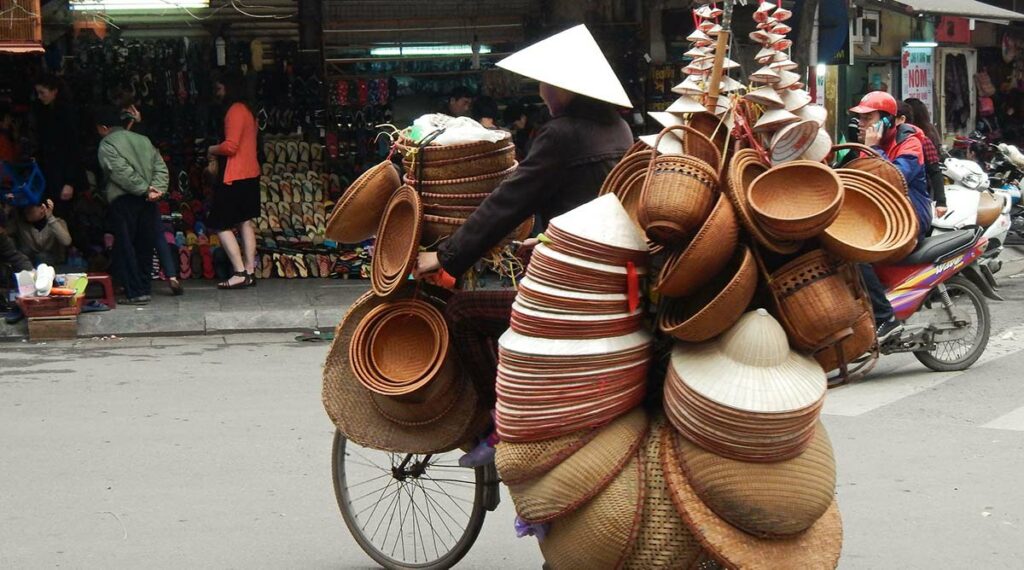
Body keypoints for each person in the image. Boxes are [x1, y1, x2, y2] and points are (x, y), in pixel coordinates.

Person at [413, 25, 634, 466]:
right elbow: (592, 204)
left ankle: (502, 422)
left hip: (578, 292)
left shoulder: (562, 134)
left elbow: (508, 202)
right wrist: (547, 237)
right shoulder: (618, 130)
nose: (541, 91)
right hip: (616, 281)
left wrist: (447, 254)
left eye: (545, 82)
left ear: (564, 87)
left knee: (464, 313)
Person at [850, 91, 932, 342]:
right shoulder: (866, 148)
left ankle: (886, 318)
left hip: (910, 218)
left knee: (856, 255)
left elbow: (894, 181)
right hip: (881, 216)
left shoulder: (911, 143)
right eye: (860, 119)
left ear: (889, 120)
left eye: (868, 118)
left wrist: (875, 149)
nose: (861, 125)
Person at [95, 106, 169, 305]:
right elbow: (160, 167)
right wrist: (157, 190)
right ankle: (144, 288)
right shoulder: (143, 140)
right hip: (148, 199)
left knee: (126, 246)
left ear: (103, 128)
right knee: (145, 244)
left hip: (125, 199)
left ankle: (135, 291)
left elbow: (119, 172)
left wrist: (145, 189)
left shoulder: (107, 144)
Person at [111, 88, 181, 295]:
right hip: (148, 187)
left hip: (131, 189)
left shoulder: (120, 135)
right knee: (157, 231)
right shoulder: (143, 133)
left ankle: (127, 281)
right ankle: (172, 276)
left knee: (128, 236)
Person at [207, 73, 260, 289]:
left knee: (219, 223)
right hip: (250, 174)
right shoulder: (249, 110)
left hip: (234, 176)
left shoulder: (235, 110)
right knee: (245, 222)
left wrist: (210, 149)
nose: (217, 93)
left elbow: (230, 146)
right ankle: (249, 270)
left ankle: (238, 271)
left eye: (219, 89)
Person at [31, 75, 84, 219]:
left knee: (63, 216)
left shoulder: (67, 114)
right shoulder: (44, 113)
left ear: (54, 91)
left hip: (62, 174)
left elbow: (73, 148)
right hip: (51, 173)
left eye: (42, 92)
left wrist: (70, 182)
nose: (40, 97)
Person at [899, 101, 947, 217]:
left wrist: (941, 201)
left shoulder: (921, 139)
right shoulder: (885, 141)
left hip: (918, 197)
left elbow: (935, 170)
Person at [6, 199, 71, 266]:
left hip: (52, 261)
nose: (26, 211)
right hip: (29, 260)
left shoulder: (58, 222)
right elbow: (4, 232)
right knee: (25, 251)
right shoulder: (20, 223)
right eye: (25, 208)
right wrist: (7, 212)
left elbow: (66, 241)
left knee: (43, 256)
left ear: (42, 208)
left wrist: (50, 218)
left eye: (30, 209)